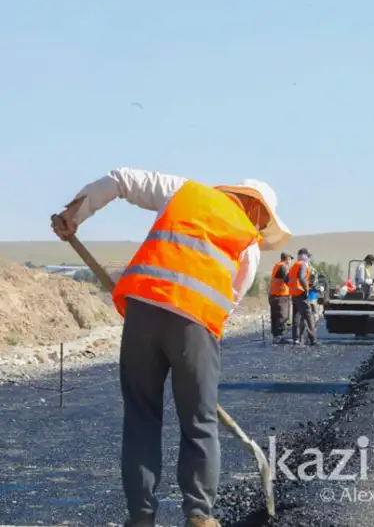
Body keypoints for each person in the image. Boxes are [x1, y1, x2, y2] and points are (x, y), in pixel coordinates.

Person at [50, 167, 291, 527]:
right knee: (199, 421)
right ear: (257, 210)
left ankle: (141, 517)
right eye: (263, 220)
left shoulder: (184, 192)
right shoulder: (248, 242)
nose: (260, 226)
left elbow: (120, 179)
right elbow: (228, 302)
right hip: (194, 326)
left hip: (142, 314)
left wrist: (74, 213)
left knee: (141, 417)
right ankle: (199, 515)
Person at [285, 248, 319, 346]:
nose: (308, 258)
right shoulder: (303, 265)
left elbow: (286, 279)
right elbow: (301, 277)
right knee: (308, 316)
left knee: (296, 317)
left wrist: (292, 287)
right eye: (308, 256)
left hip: (294, 294)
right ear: (305, 256)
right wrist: (306, 289)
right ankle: (313, 339)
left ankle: (296, 339)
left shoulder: (294, 265)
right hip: (301, 294)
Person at [268, 252, 293, 344]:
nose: (290, 261)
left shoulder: (277, 266)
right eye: (290, 259)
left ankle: (276, 336)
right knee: (282, 316)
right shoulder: (283, 267)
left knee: (275, 316)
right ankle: (279, 337)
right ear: (287, 259)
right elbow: (288, 280)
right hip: (281, 296)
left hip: (275, 295)